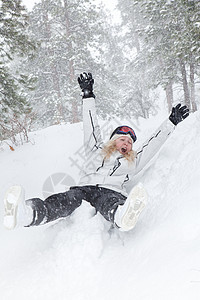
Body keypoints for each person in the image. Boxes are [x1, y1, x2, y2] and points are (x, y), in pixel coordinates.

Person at [3, 73, 189, 232]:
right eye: (122, 139)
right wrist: (87, 95)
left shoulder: (132, 162)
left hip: (111, 191)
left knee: (109, 202)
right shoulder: (96, 149)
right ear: (113, 141)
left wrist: (171, 123)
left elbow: (152, 144)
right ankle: (28, 213)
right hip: (83, 190)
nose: (127, 143)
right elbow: (90, 124)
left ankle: (122, 216)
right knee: (64, 200)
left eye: (130, 142)